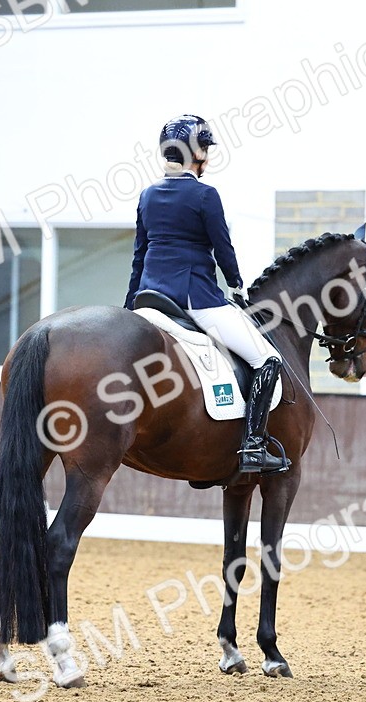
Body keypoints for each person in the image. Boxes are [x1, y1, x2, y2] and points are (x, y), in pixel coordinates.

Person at [124, 114, 289, 475]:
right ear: (197, 153)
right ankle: (253, 446)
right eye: (206, 150)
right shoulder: (205, 195)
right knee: (267, 359)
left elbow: (140, 254)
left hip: (150, 296)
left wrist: (130, 303)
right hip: (194, 299)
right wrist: (236, 284)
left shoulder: (147, 195)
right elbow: (222, 248)